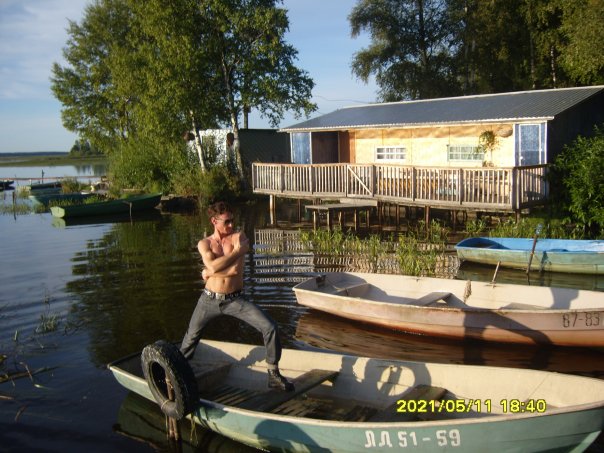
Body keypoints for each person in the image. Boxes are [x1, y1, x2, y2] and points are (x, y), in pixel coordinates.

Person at [180, 201, 294, 391]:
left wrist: (210, 272)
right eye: (227, 222)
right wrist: (234, 254)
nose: (232, 225)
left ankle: (273, 374)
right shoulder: (204, 243)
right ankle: (176, 373)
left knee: (270, 327)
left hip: (235, 299)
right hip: (208, 299)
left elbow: (234, 271)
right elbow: (214, 266)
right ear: (214, 221)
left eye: (233, 220)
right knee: (190, 338)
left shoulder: (238, 237)